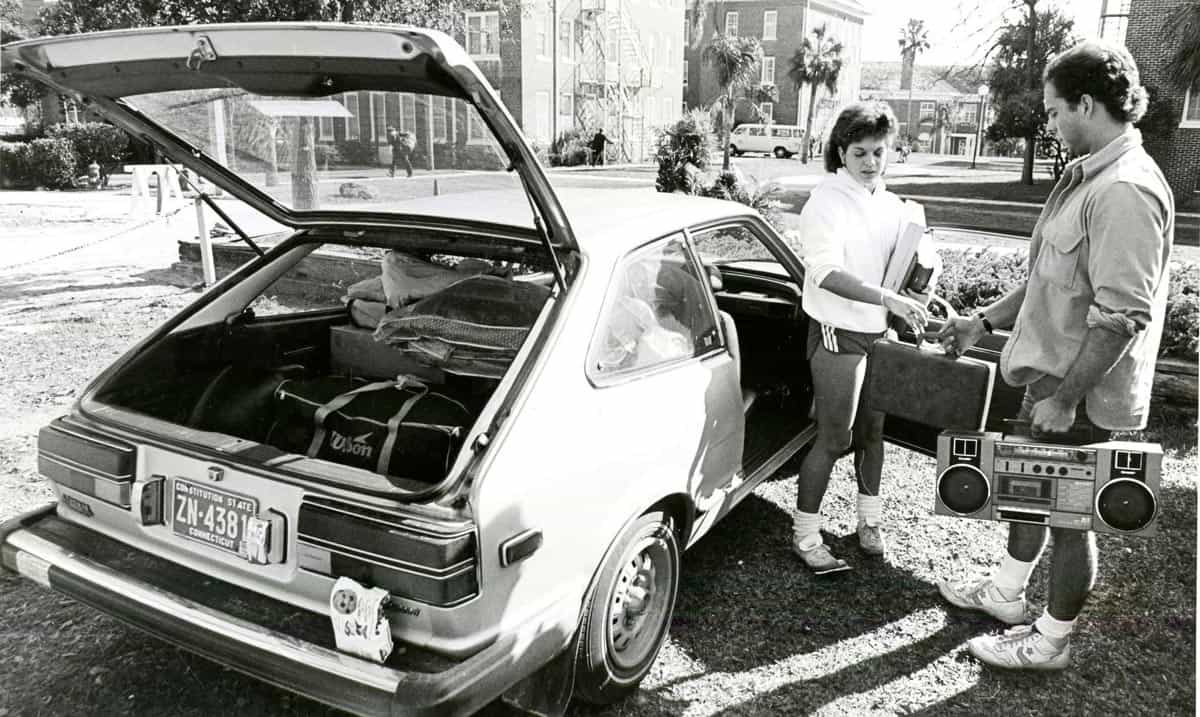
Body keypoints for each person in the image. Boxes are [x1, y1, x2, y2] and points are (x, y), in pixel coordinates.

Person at [935, 39, 1173, 671]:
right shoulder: (1091, 175)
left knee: (1070, 520)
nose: (1050, 122)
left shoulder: (1124, 190)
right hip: (1050, 383)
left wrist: (1066, 399)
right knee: (1030, 494)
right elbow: (1050, 279)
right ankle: (1008, 595)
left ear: (1086, 104)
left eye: (1054, 110)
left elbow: (1122, 316)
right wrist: (980, 323)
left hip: (1079, 397)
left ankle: (1051, 640)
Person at [789, 101, 931, 574]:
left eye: (878, 152)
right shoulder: (825, 202)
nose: (870, 162)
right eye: (859, 153)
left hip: (879, 334)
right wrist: (887, 298)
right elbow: (824, 273)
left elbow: (905, 268)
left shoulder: (892, 204)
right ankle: (805, 534)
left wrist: (919, 286)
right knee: (834, 438)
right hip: (839, 331)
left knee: (873, 434)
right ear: (840, 152)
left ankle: (868, 521)